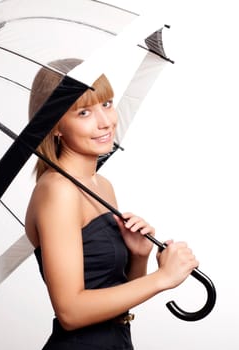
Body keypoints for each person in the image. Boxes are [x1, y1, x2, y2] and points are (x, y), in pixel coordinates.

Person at [24, 58, 199, 349]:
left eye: (106, 104)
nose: (105, 121)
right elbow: (71, 312)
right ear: (55, 126)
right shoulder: (57, 191)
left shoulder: (102, 186)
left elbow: (115, 296)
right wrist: (162, 278)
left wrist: (139, 256)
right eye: (84, 112)